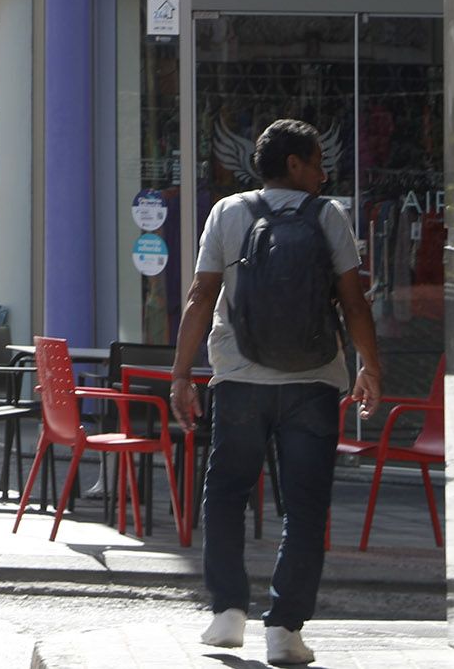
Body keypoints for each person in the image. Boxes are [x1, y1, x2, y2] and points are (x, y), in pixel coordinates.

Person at [170, 118, 383, 668]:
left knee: (225, 493)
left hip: (239, 380)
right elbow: (355, 303)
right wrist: (371, 368)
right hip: (313, 383)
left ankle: (227, 614)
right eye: (315, 161)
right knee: (306, 506)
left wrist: (180, 374)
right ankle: (285, 630)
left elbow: (200, 296)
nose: (322, 171)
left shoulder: (228, 213)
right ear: (294, 165)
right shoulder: (328, 217)